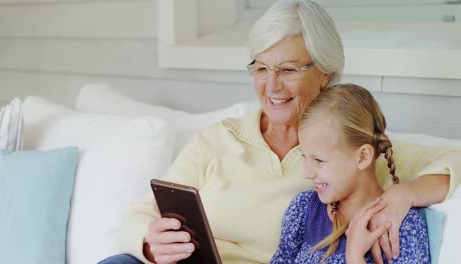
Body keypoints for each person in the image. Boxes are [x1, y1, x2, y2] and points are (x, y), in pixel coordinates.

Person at [99, 1, 460, 263]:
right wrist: (150, 241)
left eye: (288, 69)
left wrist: (404, 195)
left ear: (327, 75)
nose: (272, 86)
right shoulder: (217, 139)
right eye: (261, 68)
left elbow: (453, 160)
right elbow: (140, 214)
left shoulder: (349, 149)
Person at [271, 83, 430, 263]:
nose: (307, 172)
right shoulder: (304, 209)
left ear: (362, 157)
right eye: (304, 157)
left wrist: (355, 257)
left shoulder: (402, 228)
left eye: (319, 160)